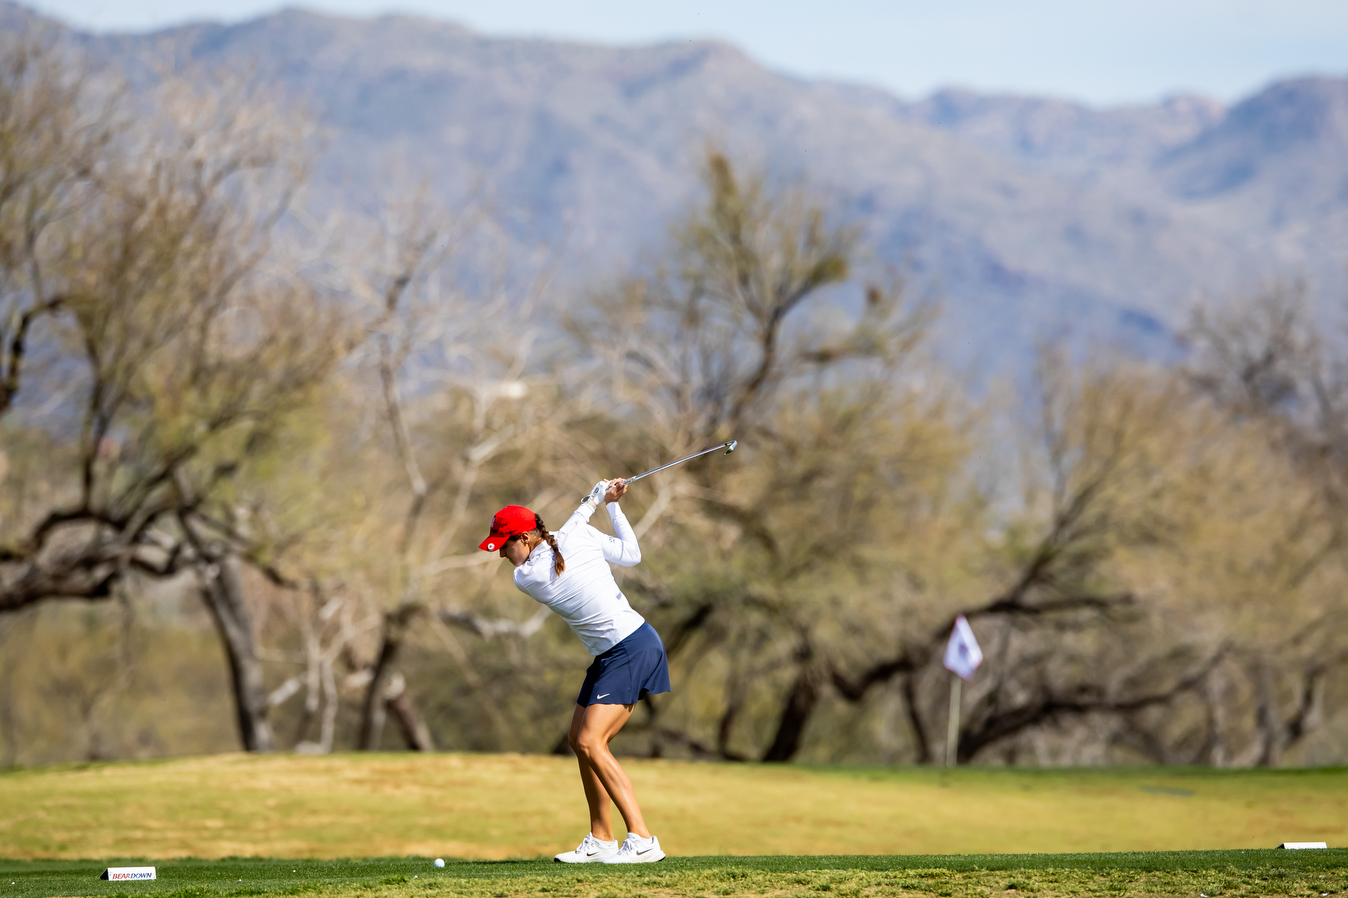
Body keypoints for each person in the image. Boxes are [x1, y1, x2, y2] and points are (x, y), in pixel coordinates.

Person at [478, 477, 670, 864]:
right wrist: (599, 502)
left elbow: (629, 554)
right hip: (610, 654)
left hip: (632, 646)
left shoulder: (555, 551)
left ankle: (644, 840)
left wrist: (605, 503)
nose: (501, 555)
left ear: (525, 538)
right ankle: (601, 838)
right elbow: (585, 537)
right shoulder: (530, 574)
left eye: (504, 545)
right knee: (577, 739)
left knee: (590, 742)